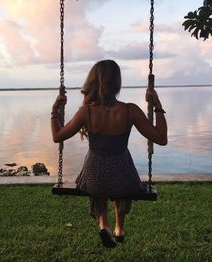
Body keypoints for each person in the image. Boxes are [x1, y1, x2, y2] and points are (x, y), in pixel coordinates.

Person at [51, 60, 167, 248]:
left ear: (93, 83)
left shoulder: (86, 112)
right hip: (124, 177)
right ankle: (119, 228)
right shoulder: (130, 110)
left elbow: (57, 136)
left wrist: (55, 110)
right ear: (117, 83)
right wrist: (157, 104)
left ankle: (103, 223)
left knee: (98, 183)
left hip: (94, 177)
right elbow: (161, 138)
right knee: (121, 184)